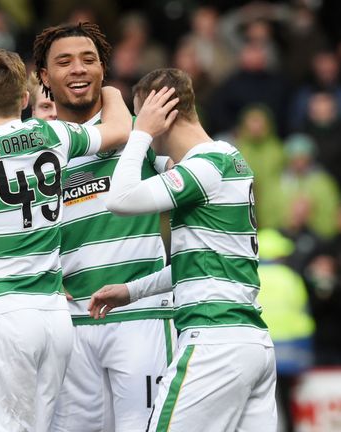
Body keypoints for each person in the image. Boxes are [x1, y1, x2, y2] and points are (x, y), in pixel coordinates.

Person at [0, 47, 131, 432]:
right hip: (53, 317)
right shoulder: (52, 133)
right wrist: (113, 92)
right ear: (24, 99)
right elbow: (120, 129)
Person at [89, 69, 277, 431]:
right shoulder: (231, 159)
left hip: (213, 342)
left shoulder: (206, 166)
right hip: (252, 344)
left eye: (141, 114)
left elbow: (120, 198)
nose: (136, 124)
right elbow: (203, 262)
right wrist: (132, 291)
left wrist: (141, 133)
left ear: (163, 114)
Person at [32, 22, 175, 431]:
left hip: (141, 316)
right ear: (44, 77)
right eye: (64, 62)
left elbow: (190, 175)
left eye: (88, 60)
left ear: (102, 69)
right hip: (71, 323)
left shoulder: (142, 132)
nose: (78, 69)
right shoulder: (38, 148)